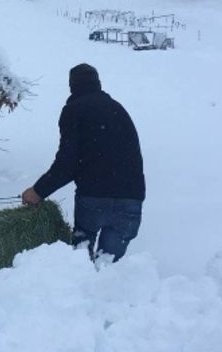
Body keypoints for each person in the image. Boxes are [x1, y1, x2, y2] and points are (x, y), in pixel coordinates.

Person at [21, 63, 145, 262]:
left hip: (94, 197)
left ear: (72, 86)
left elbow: (68, 162)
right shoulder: (118, 109)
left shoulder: (74, 110)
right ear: (98, 83)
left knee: (80, 265)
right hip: (131, 199)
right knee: (106, 269)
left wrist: (38, 191)